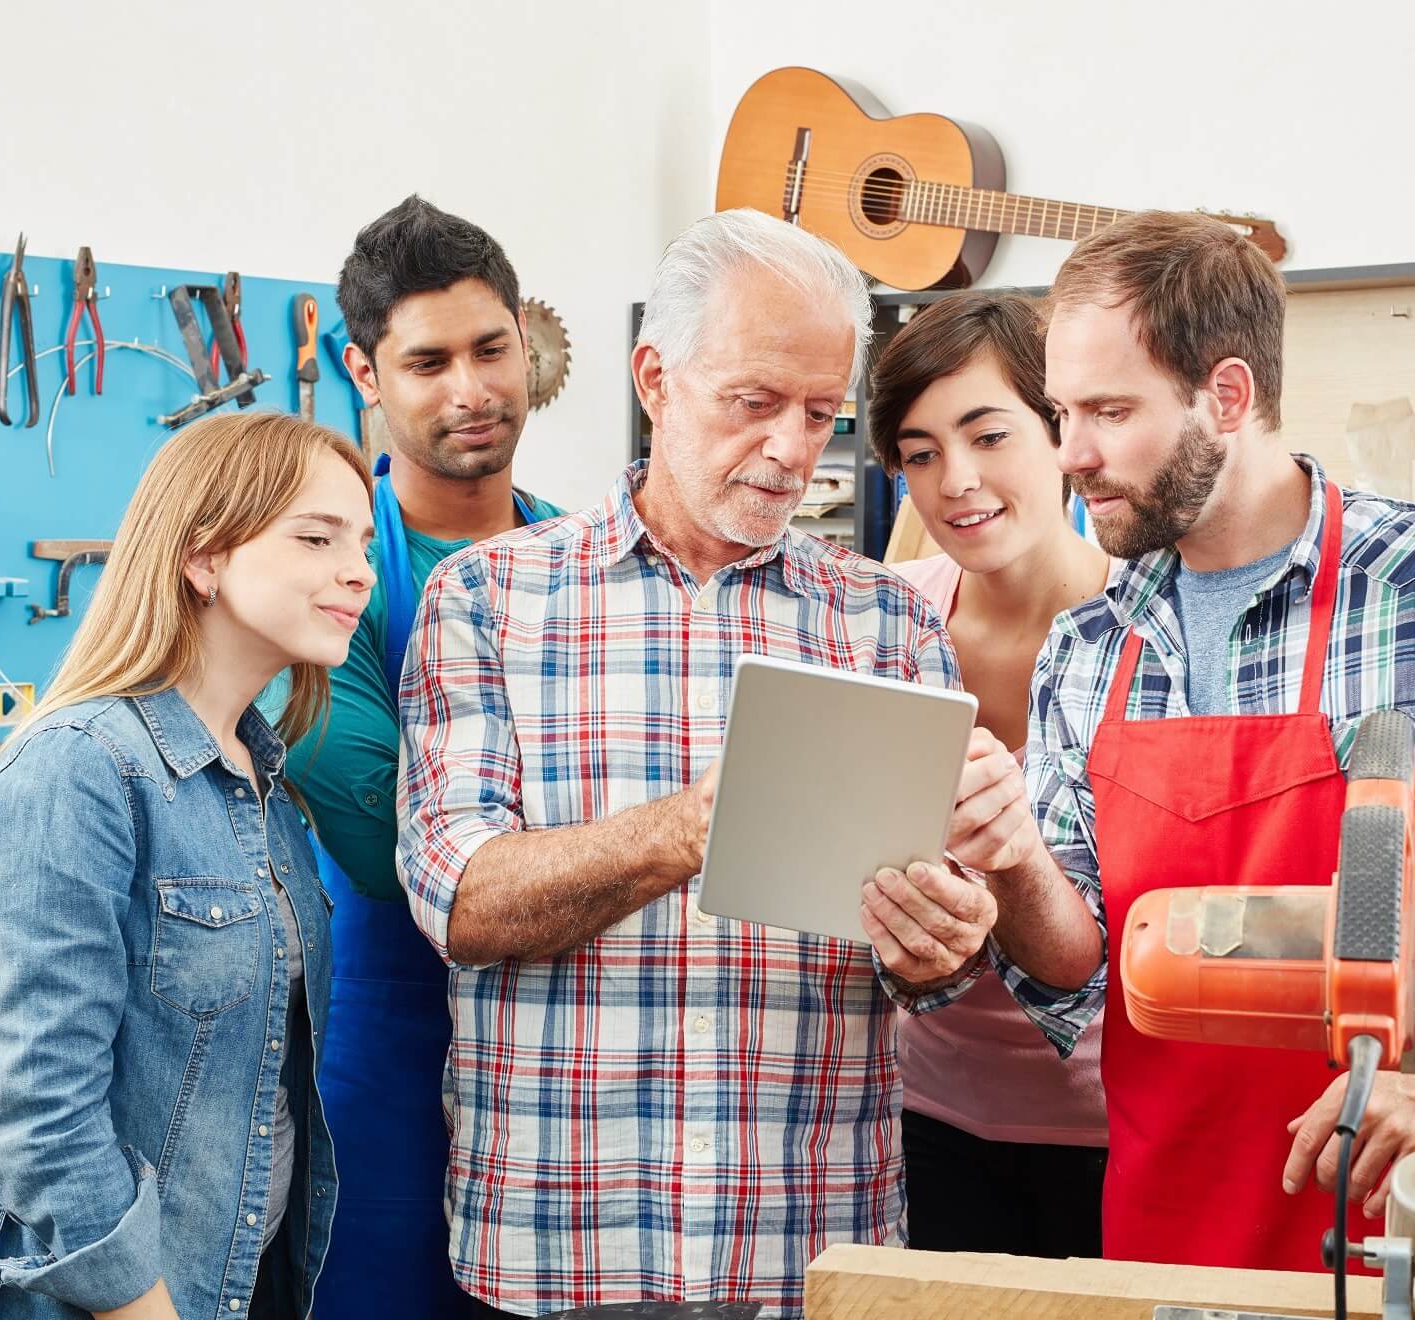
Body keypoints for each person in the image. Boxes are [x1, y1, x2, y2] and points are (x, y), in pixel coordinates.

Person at [937, 210, 1415, 1271]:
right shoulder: (1088, 648)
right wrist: (1015, 861)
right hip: (1168, 1233)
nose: (1071, 453)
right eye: (1063, 411)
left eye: (1111, 412)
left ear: (1228, 396)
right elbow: (1081, 972)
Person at [396, 208, 997, 1318]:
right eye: (754, 402)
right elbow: (461, 902)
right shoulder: (488, 599)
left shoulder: (886, 623)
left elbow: (928, 960)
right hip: (562, 1244)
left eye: (822, 413)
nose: (791, 449)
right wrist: (690, 829)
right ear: (654, 378)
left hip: (810, 1248)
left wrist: (943, 942)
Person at [0, 411, 375, 1319]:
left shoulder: (265, 781)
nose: (359, 572)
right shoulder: (80, 767)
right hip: (112, 1303)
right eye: (316, 537)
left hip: (234, 1283)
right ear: (204, 557)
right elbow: (47, 1117)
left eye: (363, 542)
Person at [279, 195, 565, 1319]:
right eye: (428, 360)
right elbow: (408, 848)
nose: (471, 390)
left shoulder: (582, 563)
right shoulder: (323, 582)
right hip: (388, 1044)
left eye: (493, 350)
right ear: (364, 371)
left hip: (566, 1050)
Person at [865, 290, 1112, 1257]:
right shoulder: (890, 623)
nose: (955, 482)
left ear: (1061, 430)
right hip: (928, 1117)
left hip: (1115, 1126)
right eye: (920, 454)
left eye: (988, 435)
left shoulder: (1157, 632)